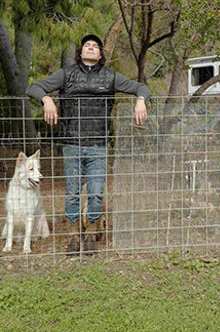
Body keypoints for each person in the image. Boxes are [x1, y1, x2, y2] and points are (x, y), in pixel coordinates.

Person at [26, 34, 150, 255]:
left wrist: (140, 101)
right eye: (87, 46)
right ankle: (74, 236)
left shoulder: (111, 77)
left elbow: (141, 88)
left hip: (98, 144)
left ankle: (92, 233)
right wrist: (47, 100)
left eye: (95, 46)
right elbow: (33, 88)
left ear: (101, 54)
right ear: (80, 52)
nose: (91, 48)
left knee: (96, 192)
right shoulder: (66, 74)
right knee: (72, 192)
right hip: (71, 143)